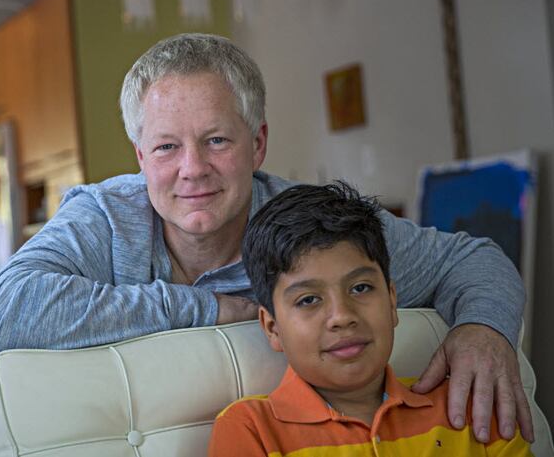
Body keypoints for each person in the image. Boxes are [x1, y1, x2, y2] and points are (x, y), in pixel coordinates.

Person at [0, 33, 533, 443]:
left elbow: (474, 259)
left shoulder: (313, 229)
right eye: (166, 147)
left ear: (258, 144)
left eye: (217, 140)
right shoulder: (103, 219)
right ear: (140, 157)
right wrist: (209, 308)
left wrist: (483, 330)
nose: (192, 169)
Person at [208, 182, 531, 455]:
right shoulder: (252, 429)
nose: (342, 316)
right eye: (308, 300)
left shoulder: (473, 405)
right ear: (272, 327)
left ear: (392, 302)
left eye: (360, 288)